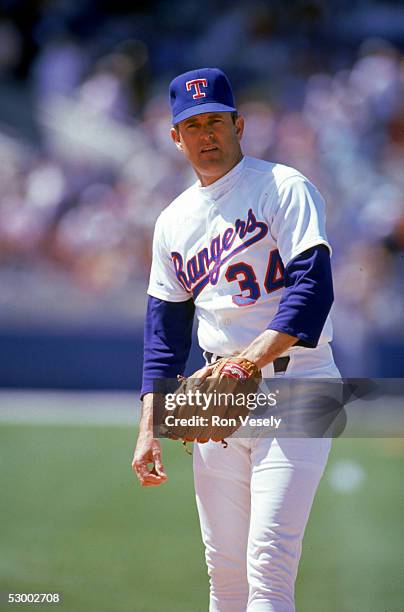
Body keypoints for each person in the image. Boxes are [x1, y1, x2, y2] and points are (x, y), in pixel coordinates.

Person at [132, 67, 340, 612]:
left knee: (268, 566)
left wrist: (247, 362)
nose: (206, 134)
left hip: (298, 385)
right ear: (175, 137)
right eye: (192, 125)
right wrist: (150, 427)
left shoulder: (284, 187)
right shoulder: (173, 222)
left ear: (239, 124)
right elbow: (164, 333)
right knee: (224, 576)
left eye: (215, 121)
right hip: (221, 397)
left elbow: (311, 289)